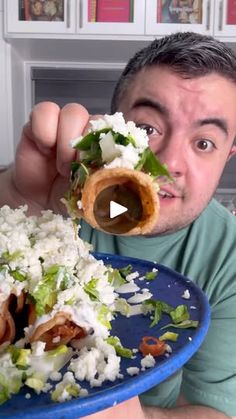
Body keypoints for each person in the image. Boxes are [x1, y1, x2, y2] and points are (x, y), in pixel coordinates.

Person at [0, 32, 236, 418]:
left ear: (227, 156)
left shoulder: (228, 255)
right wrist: (17, 200)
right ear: (114, 127)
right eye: (147, 130)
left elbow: (216, 410)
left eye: (204, 143)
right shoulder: (56, 201)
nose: (170, 162)